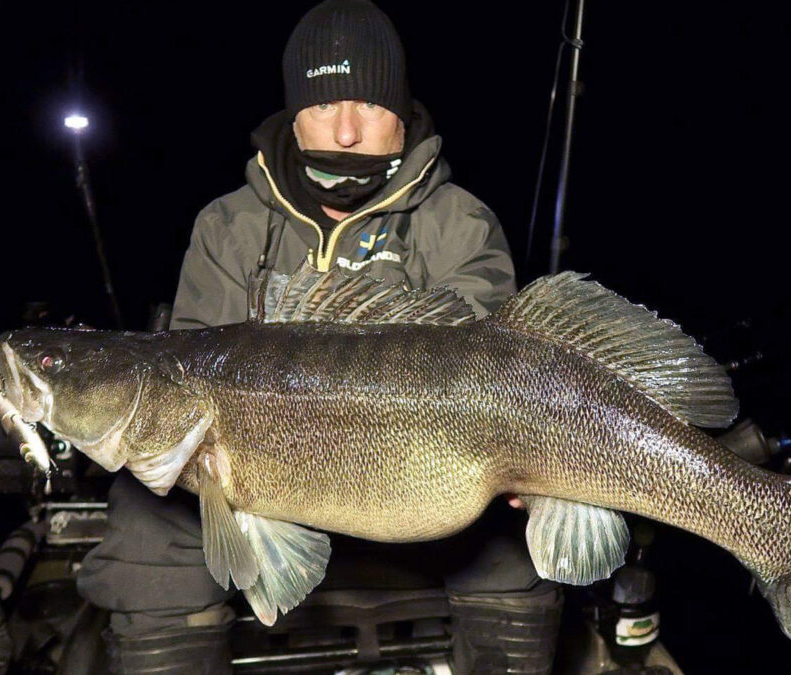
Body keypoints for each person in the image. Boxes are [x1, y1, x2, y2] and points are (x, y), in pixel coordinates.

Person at [76, 1, 561, 673]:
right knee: (144, 521)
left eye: (367, 103)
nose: (347, 130)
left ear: (403, 111)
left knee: (514, 543)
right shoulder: (229, 226)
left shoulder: (461, 221)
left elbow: (489, 360)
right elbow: (183, 374)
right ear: (292, 114)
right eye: (323, 104)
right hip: (265, 478)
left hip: (419, 485)